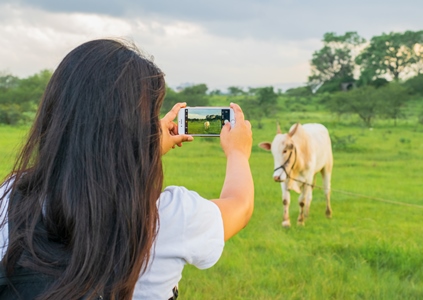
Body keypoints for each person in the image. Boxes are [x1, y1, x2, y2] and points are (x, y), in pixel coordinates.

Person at [0, 39, 254, 299]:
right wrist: (238, 153)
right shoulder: (168, 217)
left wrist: (146, 147)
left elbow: (94, 156)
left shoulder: (11, 197)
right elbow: (240, 205)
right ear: (135, 131)